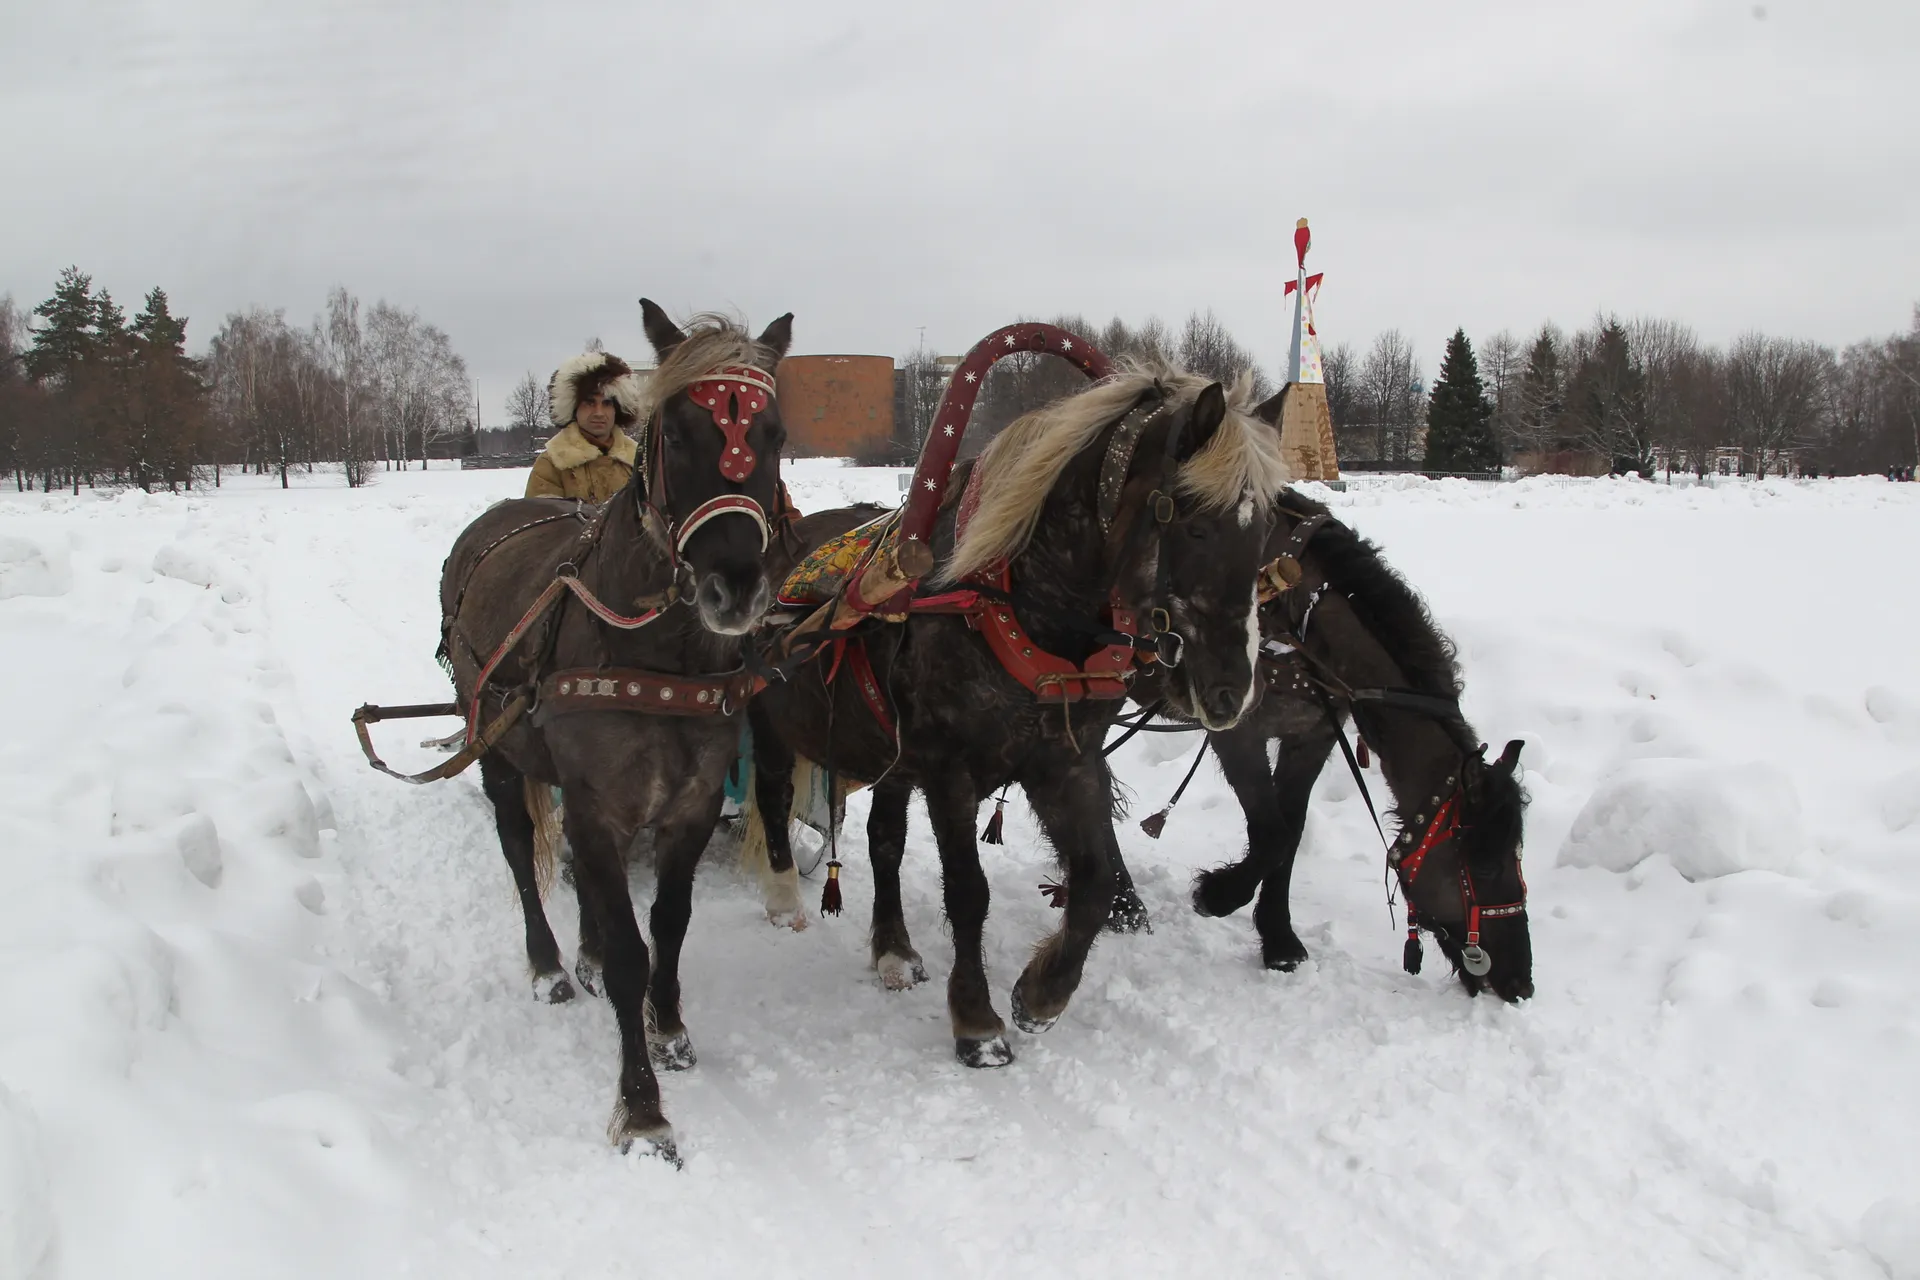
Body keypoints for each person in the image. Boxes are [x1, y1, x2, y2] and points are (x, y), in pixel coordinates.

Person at [526, 352, 645, 502]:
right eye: (589, 403)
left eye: (607, 403)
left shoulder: (639, 461)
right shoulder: (552, 464)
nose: (599, 413)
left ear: (618, 409)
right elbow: (542, 521)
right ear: (574, 408)